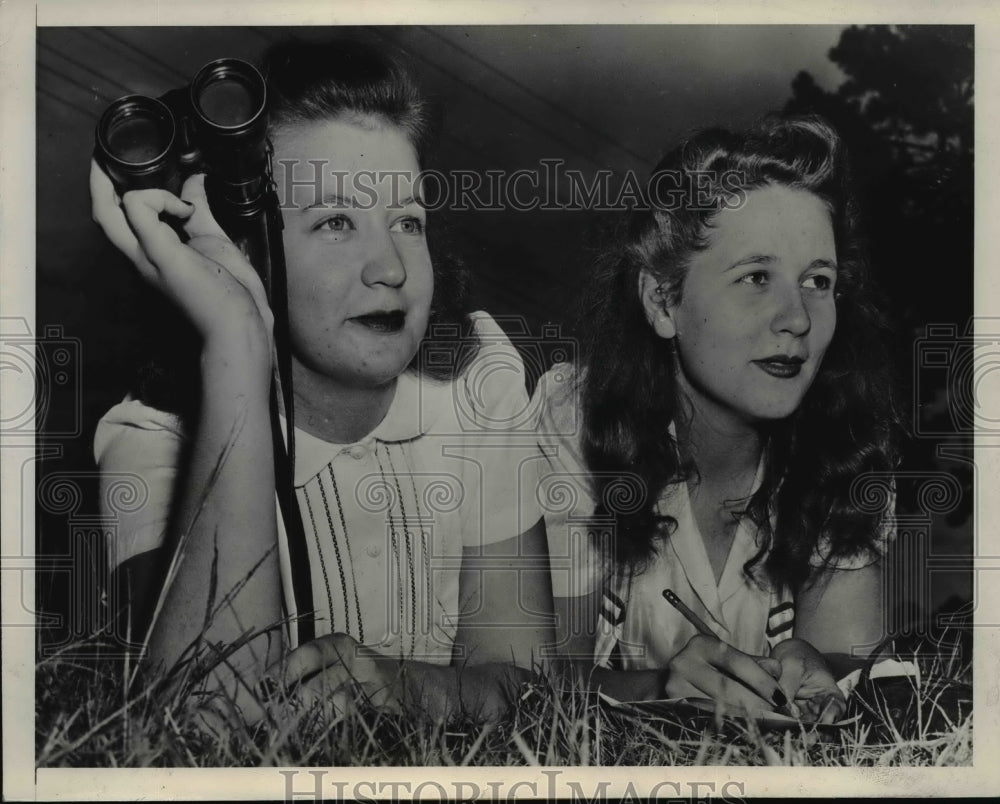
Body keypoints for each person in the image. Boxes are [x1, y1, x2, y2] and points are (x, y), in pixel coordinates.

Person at [89, 38, 553, 723]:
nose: (390, 266)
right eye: (336, 222)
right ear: (240, 244)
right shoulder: (152, 436)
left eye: (407, 220)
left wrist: (407, 689)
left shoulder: (476, 381)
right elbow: (203, 728)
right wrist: (236, 340)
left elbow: (529, 689)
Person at [535, 116, 900, 723]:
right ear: (663, 301)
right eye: (757, 277)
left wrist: (821, 666)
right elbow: (537, 678)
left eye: (818, 281)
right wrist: (659, 688)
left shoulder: (850, 440)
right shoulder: (572, 418)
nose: (798, 319)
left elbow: (851, 667)